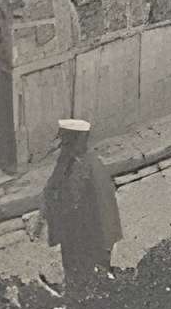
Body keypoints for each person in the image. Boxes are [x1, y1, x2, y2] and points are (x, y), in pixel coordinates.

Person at [35, 118, 122, 294]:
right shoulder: (79, 159)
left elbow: (69, 200)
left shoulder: (80, 165)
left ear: (74, 141)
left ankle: (84, 297)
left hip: (86, 232)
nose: (62, 145)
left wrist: (50, 211)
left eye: (65, 140)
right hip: (90, 230)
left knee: (81, 270)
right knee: (87, 269)